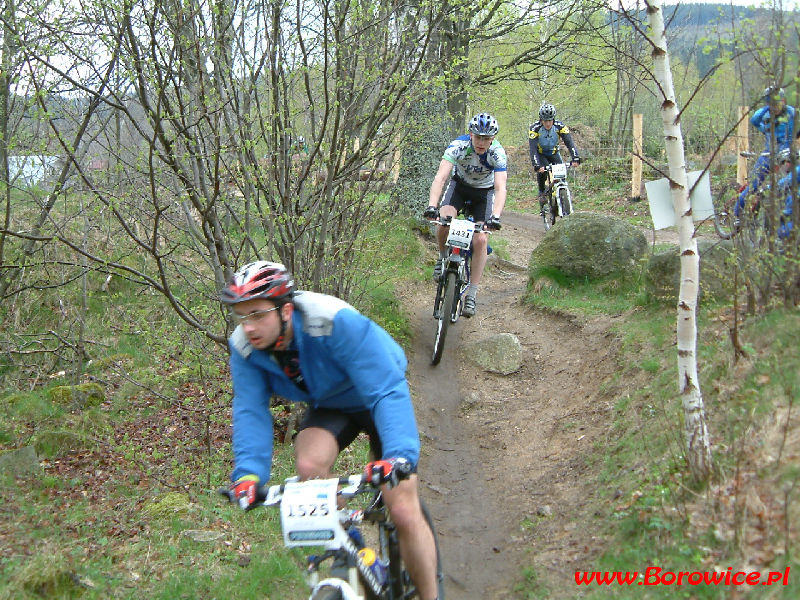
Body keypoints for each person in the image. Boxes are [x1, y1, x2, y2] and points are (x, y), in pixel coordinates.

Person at [220, 261, 440, 600]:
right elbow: (250, 409)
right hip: (331, 404)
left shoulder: (331, 321)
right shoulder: (246, 348)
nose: (248, 327)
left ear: (286, 309)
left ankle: (431, 595)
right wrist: (249, 475)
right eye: (242, 316)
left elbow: (385, 389)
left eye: (258, 314)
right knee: (309, 466)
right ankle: (353, 551)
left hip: (377, 394)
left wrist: (398, 455)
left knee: (403, 508)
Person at [423, 112, 507, 318]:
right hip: (459, 187)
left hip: (483, 194)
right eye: (478, 137)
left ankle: (472, 293)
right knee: (443, 222)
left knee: (480, 239)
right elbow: (441, 177)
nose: (481, 142)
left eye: (486, 139)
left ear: (492, 139)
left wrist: (495, 217)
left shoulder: (498, 153)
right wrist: (432, 206)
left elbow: (500, 188)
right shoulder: (458, 146)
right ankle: (443, 258)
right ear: (470, 134)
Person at [735, 86, 796, 221]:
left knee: (791, 182)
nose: (775, 107)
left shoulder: (792, 113)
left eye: (777, 103)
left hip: (787, 156)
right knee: (753, 187)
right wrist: (765, 130)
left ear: (783, 100)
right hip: (768, 156)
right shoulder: (764, 114)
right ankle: (737, 217)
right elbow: (754, 120)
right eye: (771, 104)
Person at [528, 103, 580, 208]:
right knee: (543, 171)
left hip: (554, 153)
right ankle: (542, 192)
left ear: (554, 119)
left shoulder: (560, 127)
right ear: (541, 120)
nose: (547, 123)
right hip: (541, 154)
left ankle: (563, 194)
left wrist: (575, 157)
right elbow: (533, 148)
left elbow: (569, 143)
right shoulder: (535, 128)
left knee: (561, 175)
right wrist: (536, 165)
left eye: (550, 120)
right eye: (545, 120)